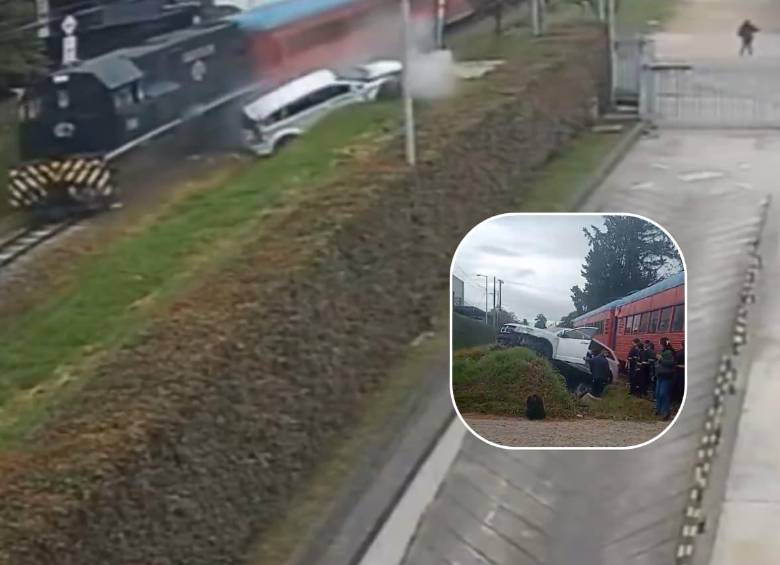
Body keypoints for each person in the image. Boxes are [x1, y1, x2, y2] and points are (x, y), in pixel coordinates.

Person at [656, 337, 676, 420]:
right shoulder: (661, 351)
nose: (659, 344)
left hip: (666, 376)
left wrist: (661, 359)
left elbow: (671, 363)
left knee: (663, 394)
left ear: (662, 343)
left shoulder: (669, 352)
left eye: (659, 343)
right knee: (657, 393)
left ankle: (666, 412)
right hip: (660, 375)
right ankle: (659, 410)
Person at [672, 339, 685, 406]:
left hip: (678, 372)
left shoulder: (678, 353)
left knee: (678, 386)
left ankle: (677, 400)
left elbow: (674, 363)